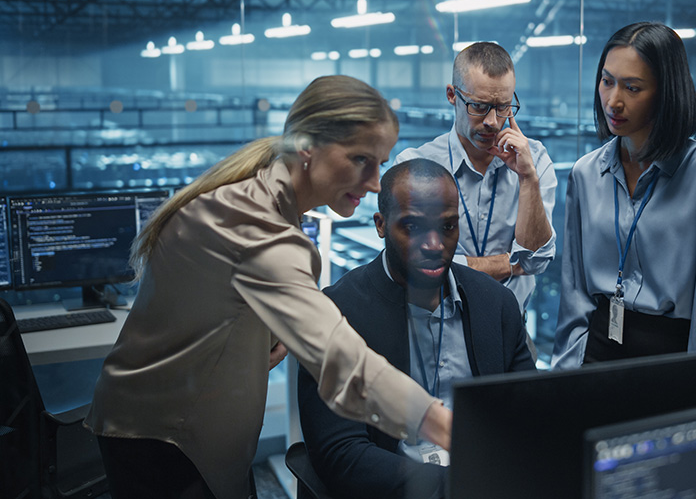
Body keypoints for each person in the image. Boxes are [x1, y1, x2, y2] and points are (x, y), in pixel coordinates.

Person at [84, 76, 451, 499]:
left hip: (181, 425)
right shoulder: (257, 227)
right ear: (307, 146)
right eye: (360, 159)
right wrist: (446, 427)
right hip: (165, 440)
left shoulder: (258, 194)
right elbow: (345, 364)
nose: (373, 182)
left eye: (380, 163)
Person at [297, 159, 535, 499]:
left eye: (448, 227)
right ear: (380, 225)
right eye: (413, 228)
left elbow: (527, 414)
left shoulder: (495, 304)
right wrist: (457, 485)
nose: (435, 245)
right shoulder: (336, 312)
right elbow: (341, 453)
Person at [551, 22, 696, 370]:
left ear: (665, 94)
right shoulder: (585, 174)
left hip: (670, 362)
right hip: (597, 356)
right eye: (607, 81)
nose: (613, 101)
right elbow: (574, 295)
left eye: (633, 87)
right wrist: (562, 380)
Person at [394, 42, 557, 332]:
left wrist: (527, 178)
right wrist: (511, 264)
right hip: (437, 333)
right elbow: (416, 265)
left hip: (511, 332)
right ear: (452, 95)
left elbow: (537, 259)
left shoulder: (534, 160)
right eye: (479, 107)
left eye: (503, 107)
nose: (492, 122)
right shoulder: (416, 165)